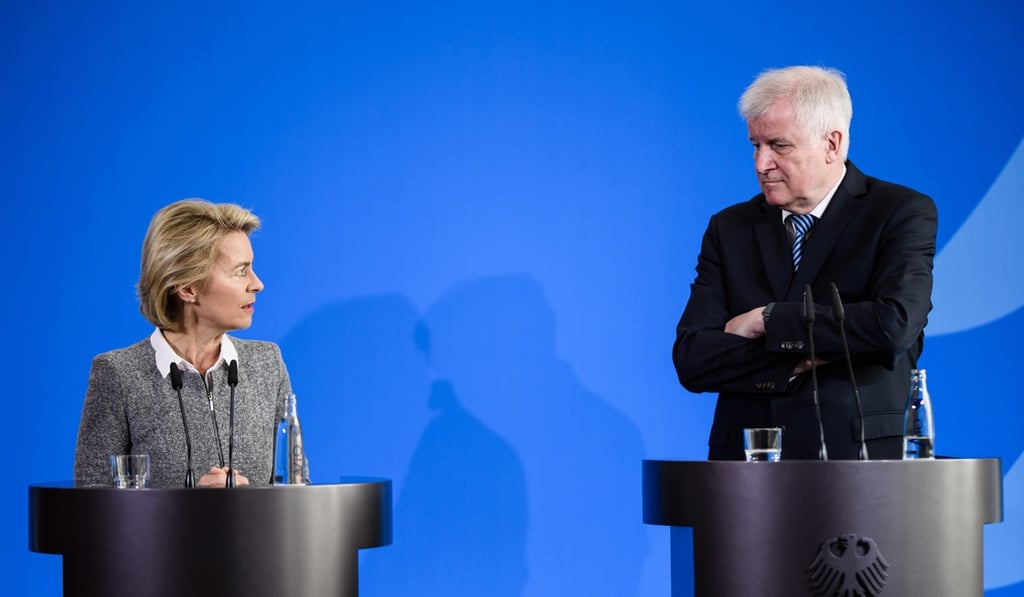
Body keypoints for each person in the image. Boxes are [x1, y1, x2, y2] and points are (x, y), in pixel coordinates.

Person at [672, 66, 937, 460]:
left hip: (860, 465)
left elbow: (891, 327)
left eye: (779, 145)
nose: (761, 164)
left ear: (832, 144)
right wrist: (808, 356)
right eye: (754, 145)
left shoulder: (898, 213)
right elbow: (693, 359)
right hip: (745, 471)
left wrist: (767, 320)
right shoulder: (730, 227)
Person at [74, 199, 296, 487]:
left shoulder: (267, 364)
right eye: (241, 271)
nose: (257, 284)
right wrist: (187, 508)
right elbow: (89, 511)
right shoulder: (118, 374)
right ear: (188, 288)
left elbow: (296, 493)